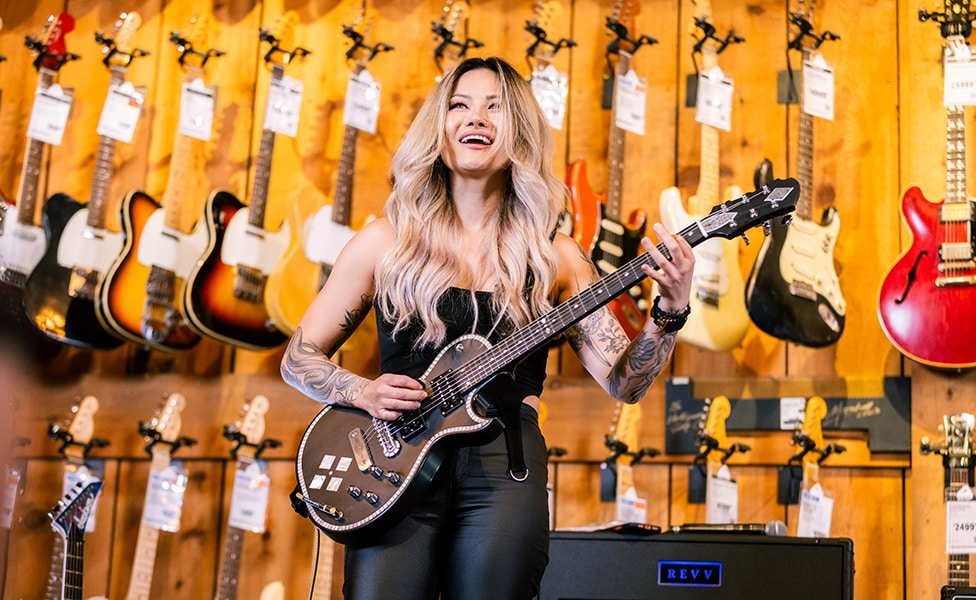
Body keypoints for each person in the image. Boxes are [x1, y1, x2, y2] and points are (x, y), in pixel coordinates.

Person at [280, 55, 694, 600]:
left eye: (495, 107)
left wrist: (669, 310)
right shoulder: (386, 242)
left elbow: (626, 384)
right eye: (459, 105)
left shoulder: (556, 257)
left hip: (505, 466)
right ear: (439, 126)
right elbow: (298, 360)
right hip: (389, 464)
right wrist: (361, 390)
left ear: (519, 133)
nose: (475, 118)